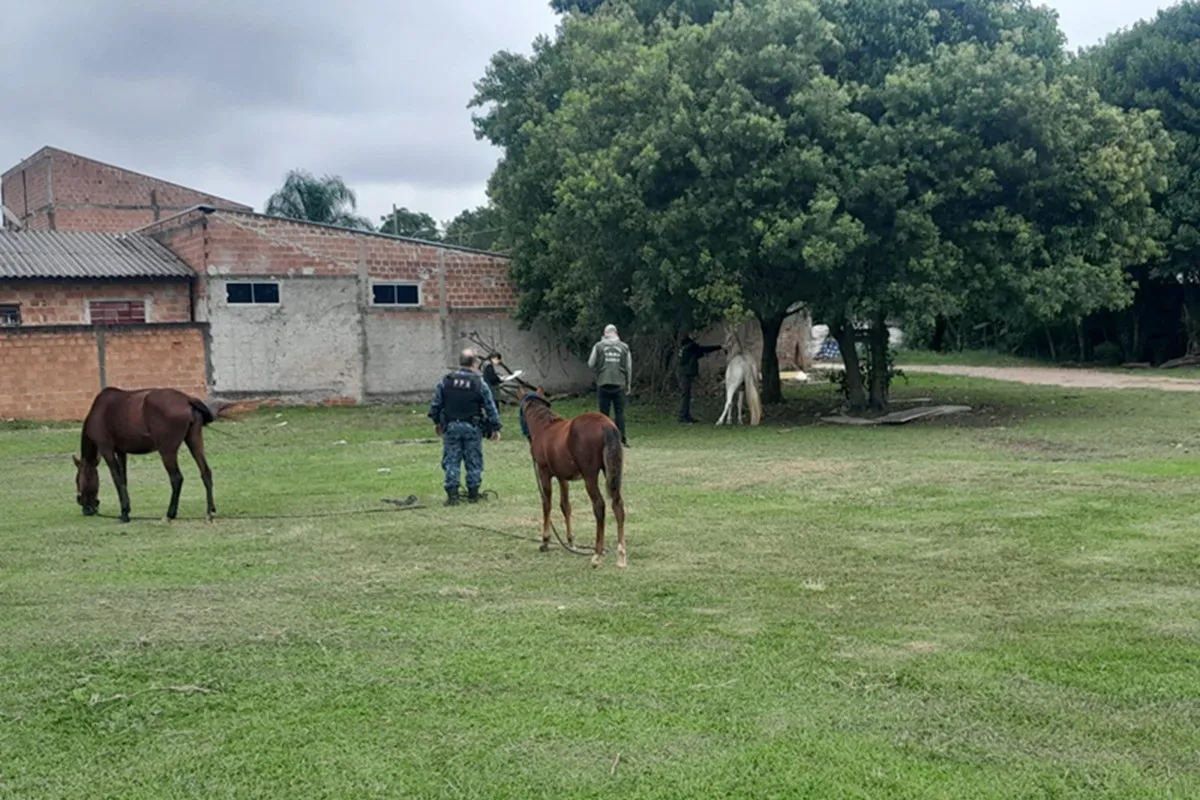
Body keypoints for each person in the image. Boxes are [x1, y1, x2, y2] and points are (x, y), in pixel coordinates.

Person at [428, 348, 502, 506]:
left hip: (451, 426)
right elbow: (490, 406)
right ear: (475, 363)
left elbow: (435, 405)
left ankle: (453, 496)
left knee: (451, 461)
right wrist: (495, 427)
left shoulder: (446, 381)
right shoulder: (479, 383)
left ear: (460, 362)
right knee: (474, 461)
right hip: (472, 427)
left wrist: (437, 422)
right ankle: (473, 494)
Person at [587, 323, 631, 446]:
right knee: (620, 413)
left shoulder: (598, 346)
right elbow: (628, 367)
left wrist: (599, 370)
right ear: (616, 333)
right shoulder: (624, 347)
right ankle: (621, 440)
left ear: (605, 334)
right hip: (619, 384)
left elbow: (591, 363)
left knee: (603, 414)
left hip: (603, 383)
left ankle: (605, 440)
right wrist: (628, 384)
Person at [677, 334, 722, 423]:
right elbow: (703, 349)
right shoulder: (691, 346)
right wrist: (719, 347)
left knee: (687, 396)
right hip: (686, 374)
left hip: (684, 374)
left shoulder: (685, 346)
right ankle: (683, 417)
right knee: (686, 396)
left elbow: (694, 355)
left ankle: (686, 415)